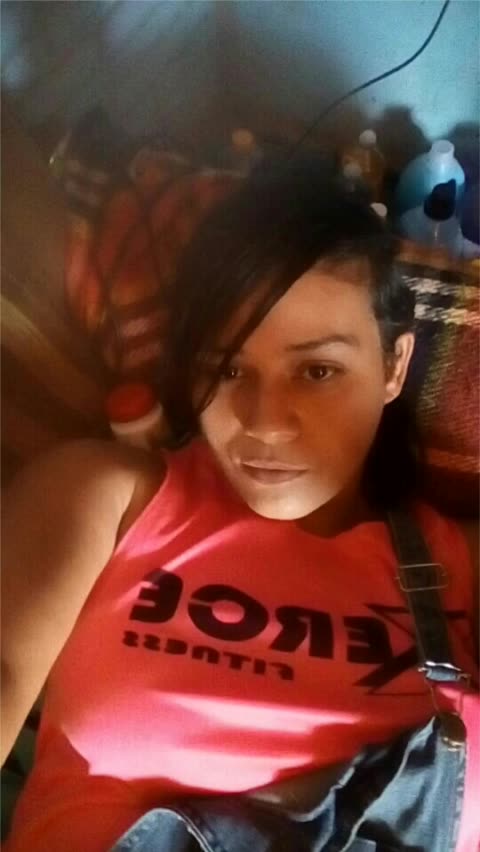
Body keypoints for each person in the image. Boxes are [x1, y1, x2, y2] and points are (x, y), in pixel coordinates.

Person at [1, 156, 478, 852]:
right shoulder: (107, 498)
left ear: (394, 366)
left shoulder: (460, 563)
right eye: (228, 368)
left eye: (317, 371)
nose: (264, 422)